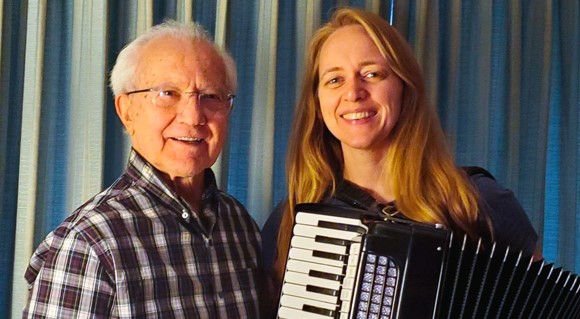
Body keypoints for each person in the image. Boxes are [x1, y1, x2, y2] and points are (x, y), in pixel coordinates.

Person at [261, 6, 542, 312]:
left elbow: (541, 305)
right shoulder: (294, 217)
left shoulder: (479, 201)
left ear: (404, 89)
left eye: (372, 74)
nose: (353, 92)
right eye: (334, 80)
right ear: (317, 102)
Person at [23, 20, 261, 318]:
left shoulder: (241, 225)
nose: (193, 117)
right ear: (127, 111)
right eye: (167, 94)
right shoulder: (89, 244)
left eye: (211, 96)